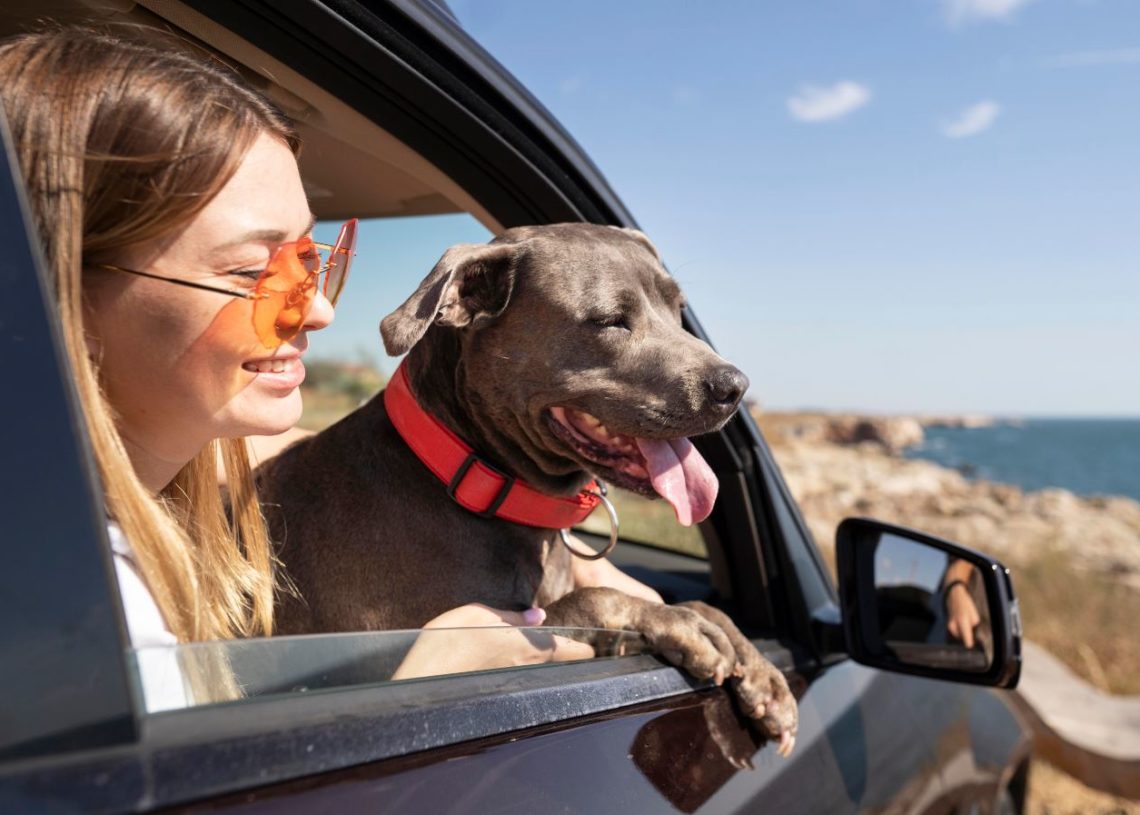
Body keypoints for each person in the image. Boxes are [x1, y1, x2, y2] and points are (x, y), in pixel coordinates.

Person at [1, 26, 633, 700]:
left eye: (310, 261)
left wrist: (570, 546)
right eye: (252, 271)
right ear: (58, 293)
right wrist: (415, 699)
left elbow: (276, 447)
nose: (318, 312)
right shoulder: (84, 613)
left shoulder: (126, 494)